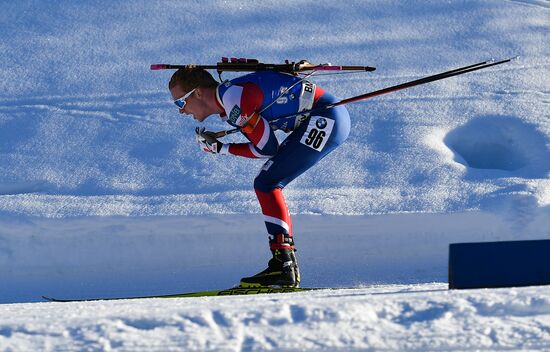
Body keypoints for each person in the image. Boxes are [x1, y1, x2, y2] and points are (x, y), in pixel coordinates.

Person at [169, 67, 350, 288]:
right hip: (325, 117)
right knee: (266, 182)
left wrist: (221, 149)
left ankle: (284, 267)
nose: (181, 111)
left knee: (267, 183)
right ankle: (283, 264)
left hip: (325, 118)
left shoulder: (235, 102)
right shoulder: (230, 99)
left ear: (198, 93)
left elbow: (266, 149)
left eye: (180, 102)